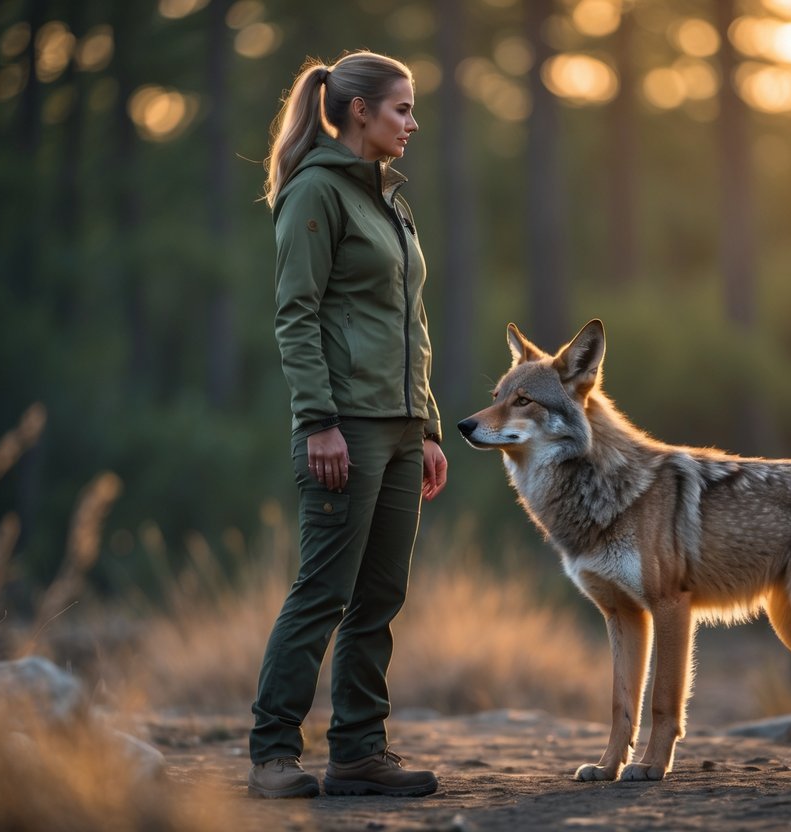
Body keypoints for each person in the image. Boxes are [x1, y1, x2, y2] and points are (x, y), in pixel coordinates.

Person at [248, 51, 448, 800]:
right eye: (401, 108)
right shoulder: (314, 194)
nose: (411, 122)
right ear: (358, 110)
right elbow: (295, 316)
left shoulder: (389, 200)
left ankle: (359, 752)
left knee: (380, 596)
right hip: (345, 427)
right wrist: (319, 422)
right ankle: (271, 755)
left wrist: (426, 426)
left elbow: (411, 319)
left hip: (399, 428)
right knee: (322, 592)